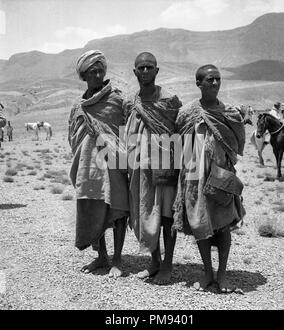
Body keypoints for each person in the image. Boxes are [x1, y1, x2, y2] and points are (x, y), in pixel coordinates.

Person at [173, 64, 246, 293]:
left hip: (221, 175)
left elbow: (237, 145)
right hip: (194, 177)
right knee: (200, 223)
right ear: (198, 83)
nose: (215, 83)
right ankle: (207, 272)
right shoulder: (186, 112)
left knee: (223, 225)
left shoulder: (228, 113)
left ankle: (222, 274)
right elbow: (179, 144)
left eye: (217, 79)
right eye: (209, 80)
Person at [68, 50, 129, 278]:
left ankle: (118, 259)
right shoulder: (79, 106)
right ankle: (102, 256)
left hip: (113, 161)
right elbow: (73, 134)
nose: (96, 74)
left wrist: (125, 158)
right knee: (96, 207)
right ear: (83, 76)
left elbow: (127, 130)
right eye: (91, 71)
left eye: (99, 70)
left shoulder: (117, 99)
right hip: (88, 164)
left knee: (119, 208)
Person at [124, 52, 182, 284]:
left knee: (166, 216)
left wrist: (178, 166)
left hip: (164, 166)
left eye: (150, 67)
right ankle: (155, 261)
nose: (145, 71)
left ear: (157, 71)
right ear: (135, 71)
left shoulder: (169, 100)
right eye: (141, 67)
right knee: (144, 212)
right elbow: (126, 131)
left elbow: (178, 132)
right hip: (138, 167)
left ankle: (167, 266)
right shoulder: (130, 102)